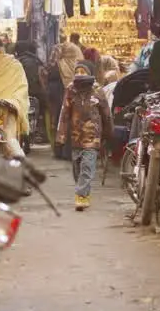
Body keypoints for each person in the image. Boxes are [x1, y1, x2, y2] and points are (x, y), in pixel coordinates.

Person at [56, 61, 111, 211]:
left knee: (87, 166)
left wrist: (108, 134)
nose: (80, 74)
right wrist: (60, 136)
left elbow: (106, 114)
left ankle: (81, 196)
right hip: (75, 137)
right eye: (77, 71)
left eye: (83, 71)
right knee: (77, 168)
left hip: (93, 137)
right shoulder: (70, 89)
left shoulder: (97, 89)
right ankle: (82, 190)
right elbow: (64, 113)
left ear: (90, 73)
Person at [46, 40, 83, 159]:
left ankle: (59, 151)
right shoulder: (76, 66)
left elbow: (48, 72)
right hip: (68, 94)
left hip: (58, 94)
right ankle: (68, 152)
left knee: (59, 122)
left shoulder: (57, 64)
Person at [14, 41, 45, 140]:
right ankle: (41, 130)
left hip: (22, 92)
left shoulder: (17, 61)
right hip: (35, 91)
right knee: (44, 108)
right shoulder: (36, 60)